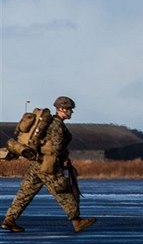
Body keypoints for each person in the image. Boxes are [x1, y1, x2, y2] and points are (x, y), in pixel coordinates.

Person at [2, 96, 96, 233]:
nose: (71, 112)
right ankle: (77, 222)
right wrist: (63, 159)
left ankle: (9, 220)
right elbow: (57, 147)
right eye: (69, 109)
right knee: (63, 192)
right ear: (62, 109)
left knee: (25, 193)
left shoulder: (49, 122)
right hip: (48, 165)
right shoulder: (57, 125)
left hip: (37, 164)